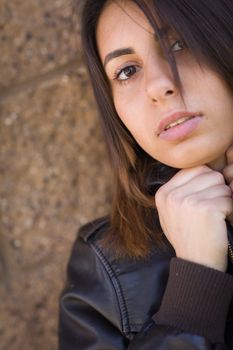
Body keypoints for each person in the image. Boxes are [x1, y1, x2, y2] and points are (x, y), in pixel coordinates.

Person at [59, 0, 233, 348]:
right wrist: (194, 289)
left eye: (179, 44)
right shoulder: (105, 267)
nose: (158, 86)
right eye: (127, 71)